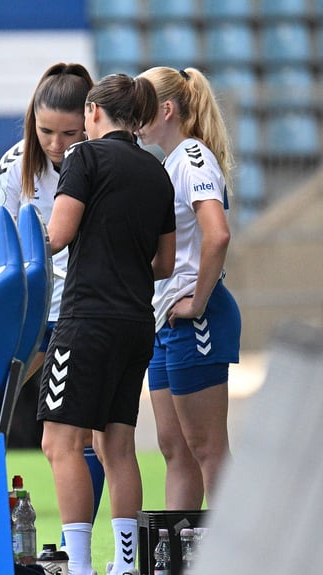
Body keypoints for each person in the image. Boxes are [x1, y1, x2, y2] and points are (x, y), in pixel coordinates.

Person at [38, 73, 176, 575]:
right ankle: (125, 565)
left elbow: (57, 235)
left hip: (85, 319)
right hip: (137, 320)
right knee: (117, 446)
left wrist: (23, 233)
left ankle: (77, 567)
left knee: (61, 442)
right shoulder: (155, 170)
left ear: (92, 112)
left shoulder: (83, 158)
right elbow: (165, 262)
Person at [0, 65, 106, 524]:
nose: (56, 144)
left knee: (82, 434)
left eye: (69, 132)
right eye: (46, 131)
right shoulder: (16, 162)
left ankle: (82, 538)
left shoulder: (102, 164)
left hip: (83, 314)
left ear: (91, 120)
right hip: (29, 312)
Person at [137, 66, 241, 510]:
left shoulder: (194, 157)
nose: (132, 116)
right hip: (168, 320)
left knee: (207, 448)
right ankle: (177, 557)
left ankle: (234, 556)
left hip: (195, 318)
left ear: (166, 109)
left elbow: (217, 234)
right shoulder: (171, 162)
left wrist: (197, 302)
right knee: (174, 447)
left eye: (140, 107)